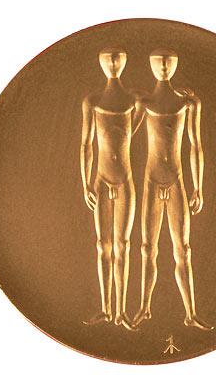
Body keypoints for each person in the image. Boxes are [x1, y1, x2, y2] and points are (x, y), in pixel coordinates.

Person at [132, 49, 213, 330]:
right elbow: (124, 134)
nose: (164, 67)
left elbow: (196, 145)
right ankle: (144, 308)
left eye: (169, 63)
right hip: (152, 179)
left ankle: (190, 313)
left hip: (176, 179)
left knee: (183, 249)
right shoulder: (145, 102)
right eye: (159, 63)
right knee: (147, 247)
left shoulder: (188, 103)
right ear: (151, 66)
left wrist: (198, 187)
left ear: (175, 66)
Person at [80, 47, 138, 331]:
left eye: (117, 60)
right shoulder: (92, 101)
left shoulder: (134, 99)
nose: (113, 64)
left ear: (123, 64)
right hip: (101, 179)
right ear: (102, 65)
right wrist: (86, 183)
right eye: (108, 61)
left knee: (122, 245)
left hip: (125, 178)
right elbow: (86, 145)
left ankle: (121, 311)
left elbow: (145, 116)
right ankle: (106, 309)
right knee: (103, 245)